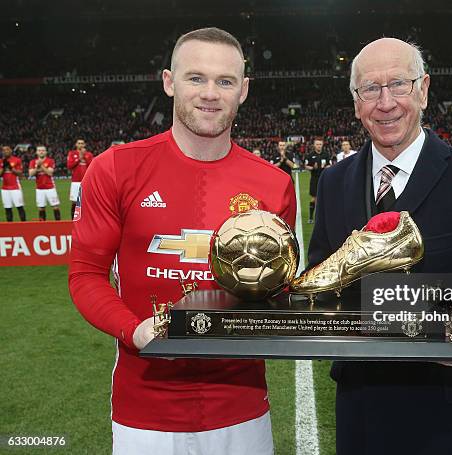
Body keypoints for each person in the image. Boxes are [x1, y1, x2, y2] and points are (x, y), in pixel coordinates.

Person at [68, 27, 296, 455]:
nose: (210, 93)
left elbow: (277, 291)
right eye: (196, 77)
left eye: (225, 81)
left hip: (241, 409)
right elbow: (85, 275)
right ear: (169, 82)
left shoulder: (274, 184)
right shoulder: (115, 169)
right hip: (144, 413)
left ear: (243, 91)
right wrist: (135, 332)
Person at [306, 37, 452, 454]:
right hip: (361, 411)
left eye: (399, 84)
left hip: (448, 414)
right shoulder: (334, 182)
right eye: (370, 89)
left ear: (424, 89)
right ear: (356, 102)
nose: (385, 102)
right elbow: (322, 276)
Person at [28, 145, 61, 221]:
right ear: (36, 152)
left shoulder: (50, 161)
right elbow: (31, 174)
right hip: (39, 189)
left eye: (43, 150)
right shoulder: (32, 162)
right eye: (39, 150)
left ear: (46, 152)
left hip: (50, 188)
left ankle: (58, 225)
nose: (41, 152)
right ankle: (42, 226)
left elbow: (49, 173)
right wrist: (37, 168)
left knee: (55, 206)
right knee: (41, 208)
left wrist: (41, 165)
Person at [67, 138, 94, 219]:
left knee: (87, 202)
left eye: (82, 143)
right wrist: (79, 158)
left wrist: (84, 157)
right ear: (76, 144)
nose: (80, 145)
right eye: (79, 143)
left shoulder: (89, 154)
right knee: (75, 202)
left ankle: (86, 220)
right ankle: (73, 220)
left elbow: (92, 167)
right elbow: (69, 166)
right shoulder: (72, 153)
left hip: (87, 181)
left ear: (84, 145)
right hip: (75, 182)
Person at [304, 138, 330, 223]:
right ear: (314, 145)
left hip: (324, 179)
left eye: (320, 144)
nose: (319, 146)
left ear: (322, 145)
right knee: (314, 199)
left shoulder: (326, 155)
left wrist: (326, 167)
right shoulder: (310, 155)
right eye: (317, 144)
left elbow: (330, 164)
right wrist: (312, 167)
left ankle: (322, 217)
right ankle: (311, 218)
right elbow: (306, 166)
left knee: (325, 198)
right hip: (314, 179)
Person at [1, 145, 26, 221]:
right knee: (7, 208)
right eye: (4, 150)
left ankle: (24, 225)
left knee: (19, 207)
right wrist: (3, 168)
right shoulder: (1, 161)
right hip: (5, 189)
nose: (6, 151)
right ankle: (10, 227)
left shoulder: (17, 160)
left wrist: (11, 168)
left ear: (11, 150)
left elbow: (20, 173)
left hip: (15, 187)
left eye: (7, 149)